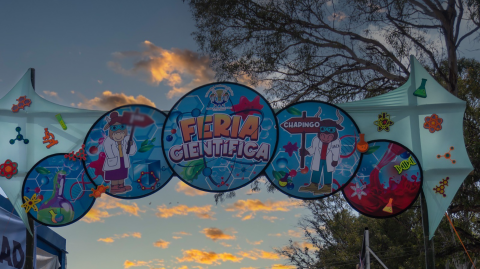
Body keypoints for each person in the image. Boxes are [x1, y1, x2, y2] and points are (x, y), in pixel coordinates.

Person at [299, 109, 344, 195]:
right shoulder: (316, 139)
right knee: (316, 170)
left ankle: (327, 187)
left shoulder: (336, 142)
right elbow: (313, 148)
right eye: (323, 133)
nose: (326, 137)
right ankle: (313, 185)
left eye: (329, 134)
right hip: (318, 159)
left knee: (328, 172)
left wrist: (335, 160)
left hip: (329, 160)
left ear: (334, 133)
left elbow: (336, 151)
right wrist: (306, 152)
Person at [102, 111, 137, 195]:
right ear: (111, 132)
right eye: (116, 133)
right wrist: (113, 157)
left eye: (121, 132)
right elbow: (108, 151)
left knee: (122, 173)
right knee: (114, 174)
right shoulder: (108, 141)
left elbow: (132, 152)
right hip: (113, 161)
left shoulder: (127, 139)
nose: (119, 135)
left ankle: (121, 186)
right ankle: (114, 187)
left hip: (123, 160)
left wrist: (131, 145)